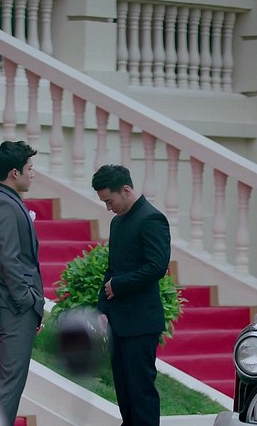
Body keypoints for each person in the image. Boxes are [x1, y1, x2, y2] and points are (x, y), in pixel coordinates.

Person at [92, 164, 171, 426]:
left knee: (141, 393)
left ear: (126, 190)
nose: (108, 208)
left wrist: (119, 285)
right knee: (125, 394)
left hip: (141, 323)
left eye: (109, 201)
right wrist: (102, 309)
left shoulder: (152, 219)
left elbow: (157, 267)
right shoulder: (117, 223)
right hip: (118, 322)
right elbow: (112, 269)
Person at [0, 140, 44, 426]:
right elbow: (9, 258)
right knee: (9, 387)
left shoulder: (8, 201)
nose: (33, 173)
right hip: (14, 306)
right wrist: (27, 301)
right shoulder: (3, 205)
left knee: (11, 386)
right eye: (30, 168)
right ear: (14, 173)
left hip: (17, 306)